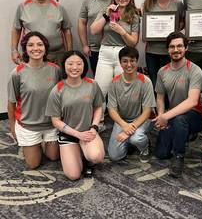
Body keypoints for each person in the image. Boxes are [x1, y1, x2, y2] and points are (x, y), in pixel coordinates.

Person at [153, 32, 202, 178]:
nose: (176, 50)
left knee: (180, 120)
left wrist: (166, 116)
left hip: (196, 115)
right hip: (172, 114)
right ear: (167, 50)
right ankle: (184, 134)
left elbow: (192, 101)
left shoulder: (194, 70)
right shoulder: (162, 71)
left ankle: (179, 157)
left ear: (186, 48)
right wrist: (160, 116)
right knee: (161, 154)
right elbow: (160, 98)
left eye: (179, 46)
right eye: (172, 47)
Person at [46, 51, 105, 180]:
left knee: (96, 156)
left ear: (84, 66)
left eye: (79, 63)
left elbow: (98, 107)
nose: (74, 67)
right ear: (64, 66)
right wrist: (78, 135)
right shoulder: (57, 90)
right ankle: (77, 151)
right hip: (69, 134)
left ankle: (87, 157)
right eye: (70, 64)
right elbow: (55, 121)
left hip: (88, 132)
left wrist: (94, 127)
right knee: (73, 175)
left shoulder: (92, 84)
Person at [7, 31, 60, 169]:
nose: (35, 48)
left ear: (45, 47)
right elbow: (11, 103)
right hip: (28, 126)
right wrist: (13, 128)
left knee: (53, 157)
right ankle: (33, 143)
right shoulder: (17, 73)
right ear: (25, 49)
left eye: (39, 44)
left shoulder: (56, 70)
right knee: (33, 164)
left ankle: (42, 142)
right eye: (30, 45)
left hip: (51, 124)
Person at [90, 0, 140, 110]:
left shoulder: (134, 14)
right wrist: (106, 15)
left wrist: (122, 31)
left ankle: (123, 121)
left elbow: (133, 42)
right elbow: (94, 30)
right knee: (100, 91)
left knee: (122, 90)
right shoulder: (106, 10)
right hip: (105, 53)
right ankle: (98, 122)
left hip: (124, 54)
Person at [11, 0, 73, 65]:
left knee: (58, 79)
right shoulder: (23, 7)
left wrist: (70, 53)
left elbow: (67, 31)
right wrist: (14, 50)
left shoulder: (59, 7)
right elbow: (16, 30)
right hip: (31, 56)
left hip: (57, 56)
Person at [107, 47, 156, 162]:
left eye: (132, 61)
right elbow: (112, 110)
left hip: (142, 120)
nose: (129, 64)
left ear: (137, 61)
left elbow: (147, 112)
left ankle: (145, 148)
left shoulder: (145, 82)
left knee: (136, 139)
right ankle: (129, 140)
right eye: (125, 61)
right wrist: (125, 126)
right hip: (123, 120)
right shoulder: (114, 82)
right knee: (115, 156)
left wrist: (129, 129)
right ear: (120, 62)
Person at [143, 0, 185, 87]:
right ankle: (159, 106)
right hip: (152, 52)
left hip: (171, 52)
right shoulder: (147, 4)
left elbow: (183, 22)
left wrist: (174, 30)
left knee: (171, 85)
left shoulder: (177, 3)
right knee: (156, 84)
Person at [78, 0, 114, 76]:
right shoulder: (88, 1)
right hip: (95, 50)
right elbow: (81, 22)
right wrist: (84, 45)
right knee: (100, 83)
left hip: (115, 48)